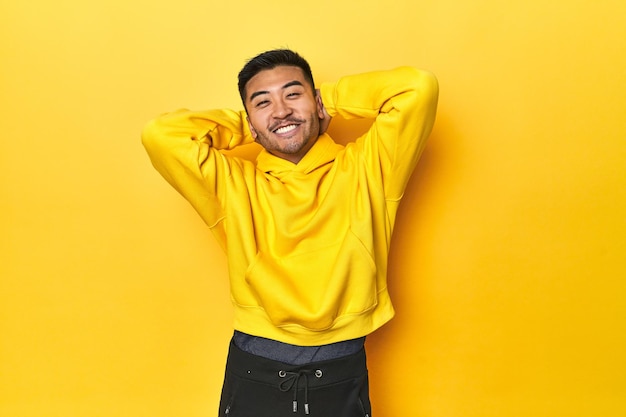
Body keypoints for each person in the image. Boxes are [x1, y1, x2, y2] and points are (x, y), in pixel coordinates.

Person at [142, 49, 438, 417]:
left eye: (292, 94)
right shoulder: (232, 184)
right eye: (262, 102)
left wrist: (322, 101)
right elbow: (159, 135)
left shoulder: (369, 166)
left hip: (341, 373)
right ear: (250, 121)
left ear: (316, 102)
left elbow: (418, 88)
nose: (280, 110)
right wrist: (250, 123)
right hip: (255, 372)